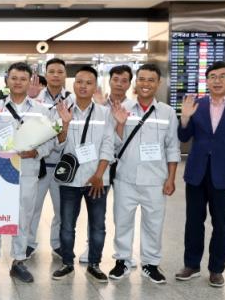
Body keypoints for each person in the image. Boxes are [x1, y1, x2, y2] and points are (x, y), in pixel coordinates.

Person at [176, 61, 225, 288]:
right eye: (212, 76)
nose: (217, 81)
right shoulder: (197, 105)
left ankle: (217, 269)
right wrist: (185, 118)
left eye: (222, 76)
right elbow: (184, 137)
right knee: (193, 221)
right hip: (196, 173)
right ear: (207, 80)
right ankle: (191, 265)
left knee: (221, 223)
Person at [0, 62, 54, 283]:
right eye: (14, 78)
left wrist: (36, 152)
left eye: (23, 78)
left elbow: (51, 141)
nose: (18, 82)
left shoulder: (41, 110)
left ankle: (19, 261)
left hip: (27, 170)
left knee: (24, 216)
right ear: (6, 80)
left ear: (30, 82)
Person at [108, 64, 180, 284]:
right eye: (141, 79)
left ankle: (150, 263)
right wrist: (120, 124)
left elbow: (172, 147)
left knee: (153, 223)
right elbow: (113, 144)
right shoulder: (122, 108)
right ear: (135, 82)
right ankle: (122, 261)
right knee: (122, 222)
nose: (145, 84)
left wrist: (171, 178)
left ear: (158, 83)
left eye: (151, 80)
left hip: (155, 179)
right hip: (125, 178)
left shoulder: (167, 112)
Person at [52, 66, 114, 283]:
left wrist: (99, 175)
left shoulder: (105, 113)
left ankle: (94, 264)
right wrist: (65, 124)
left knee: (97, 225)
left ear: (95, 86)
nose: (83, 86)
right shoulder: (62, 110)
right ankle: (67, 263)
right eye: (79, 82)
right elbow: (57, 146)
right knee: (67, 224)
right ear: (73, 84)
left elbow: (108, 145)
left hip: (97, 179)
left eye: (88, 82)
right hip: (71, 179)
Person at [28, 58, 73, 259]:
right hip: (39, 162)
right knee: (32, 207)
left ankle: (58, 243)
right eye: (52, 71)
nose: (56, 75)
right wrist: (30, 97)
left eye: (60, 71)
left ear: (65, 75)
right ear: (46, 74)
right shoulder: (35, 97)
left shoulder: (72, 99)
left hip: (63, 163)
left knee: (62, 209)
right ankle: (28, 243)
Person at [91, 64, 134, 266]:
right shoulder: (97, 104)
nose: (119, 84)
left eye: (124, 80)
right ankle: (91, 248)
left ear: (129, 84)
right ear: (109, 81)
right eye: (115, 79)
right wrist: (102, 109)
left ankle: (123, 254)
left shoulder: (134, 107)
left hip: (125, 165)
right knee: (96, 211)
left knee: (123, 212)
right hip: (102, 164)